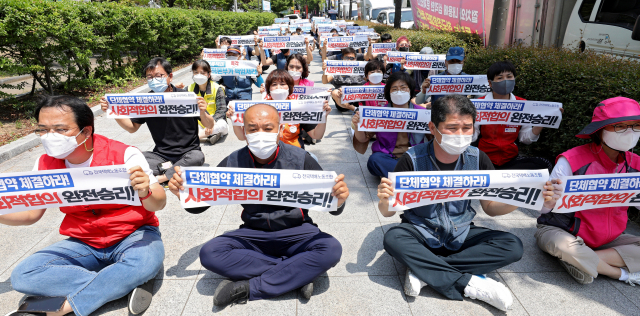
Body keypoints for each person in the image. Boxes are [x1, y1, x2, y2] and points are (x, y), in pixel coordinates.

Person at [377, 94, 550, 311]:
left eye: (467, 127)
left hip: (460, 232)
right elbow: (388, 213)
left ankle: (424, 271)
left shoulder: (478, 159)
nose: (460, 134)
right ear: (433, 128)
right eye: (452, 128)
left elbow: (491, 208)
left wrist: (522, 197)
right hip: (420, 231)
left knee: (512, 246)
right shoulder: (412, 159)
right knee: (393, 239)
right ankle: (469, 283)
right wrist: (385, 200)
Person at [167, 103, 350, 306]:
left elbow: (332, 203)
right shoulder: (233, 161)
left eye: (267, 128)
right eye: (252, 129)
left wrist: (340, 199)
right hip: (253, 234)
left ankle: (248, 288)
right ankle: (296, 274)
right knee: (210, 253)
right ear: (244, 132)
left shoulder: (301, 159)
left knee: (330, 248)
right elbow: (200, 205)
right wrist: (181, 192)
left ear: (280, 129)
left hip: (297, 231)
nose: (260, 133)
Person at [5, 96, 166, 316]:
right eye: (43, 130)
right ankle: (123, 282)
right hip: (85, 241)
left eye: (61, 129)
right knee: (23, 275)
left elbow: (159, 202)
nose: (50, 137)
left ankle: (63, 308)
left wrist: (146, 191)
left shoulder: (124, 154)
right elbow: (32, 213)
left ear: (87, 131)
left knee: (145, 259)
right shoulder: (44, 164)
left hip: (134, 235)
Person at [536, 96, 640, 286]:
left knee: (575, 254)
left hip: (610, 240)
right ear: (600, 131)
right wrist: (549, 200)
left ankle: (585, 261)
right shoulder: (571, 160)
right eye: (620, 126)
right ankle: (619, 273)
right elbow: (542, 209)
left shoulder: (636, 164)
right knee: (566, 248)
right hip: (561, 232)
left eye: (636, 126)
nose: (630, 132)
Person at [100, 57, 212, 186]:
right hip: (161, 156)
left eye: (159, 76)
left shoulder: (186, 97)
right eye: (150, 77)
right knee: (135, 159)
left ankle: (160, 178)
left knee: (197, 157)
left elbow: (209, 125)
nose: (154, 80)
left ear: (170, 76)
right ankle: (176, 172)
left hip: (188, 153)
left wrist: (203, 112)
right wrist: (113, 111)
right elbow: (132, 128)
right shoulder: (146, 101)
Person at [472, 61, 553, 171]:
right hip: (483, 160)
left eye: (509, 77)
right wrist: (466, 123)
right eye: (500, 78)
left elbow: (525, 139)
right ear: (490, 83)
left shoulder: (523, 104)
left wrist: (542, 121)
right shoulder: (480, 104)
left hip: (510, 160)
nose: (505, 81)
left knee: (544, 165)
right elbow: (473, 136)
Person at [229, 69, 331, 150]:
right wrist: (234, 119)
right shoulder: (260, 108)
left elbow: (316, 135)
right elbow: (242, 137)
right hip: (266, 153)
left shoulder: (299, 106)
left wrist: (323, 117)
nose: (279, 87)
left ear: (289, 88)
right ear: (268, 89)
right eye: (274, 84)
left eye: (282, 84)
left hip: (294, 153)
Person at [351, 72, 426, 177]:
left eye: (403, 88)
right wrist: (358, 125)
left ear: (410, 90)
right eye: (394, 89)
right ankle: (409, 177)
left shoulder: (423, 113)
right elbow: (363, 139)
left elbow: (435, 138)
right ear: (389, 93)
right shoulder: (379, 113)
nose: (399, 92)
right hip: (387, 157)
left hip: (414, 156)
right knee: (374, 160)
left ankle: (398, 176)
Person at [185, 59, 229, 145]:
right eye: (196, 72)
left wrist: (212, 122)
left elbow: (222, 110)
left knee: (222, 125)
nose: (199, 75)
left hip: (215, 121)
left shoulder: (217, 88)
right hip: (198, 123)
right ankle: (208, 136)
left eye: (202, 73)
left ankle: (194, 138)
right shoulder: (188, 89)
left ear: (208, 74)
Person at [322, 47, 367, 113]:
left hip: (358, 97)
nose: (349, 60)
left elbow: (369, 80)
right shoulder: (336, 69)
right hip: (342, 100)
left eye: (351, 58)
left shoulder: (360, 68)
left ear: (355, 59)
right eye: (346, 58)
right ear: (342, 58)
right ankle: (354, 109)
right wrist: (324, 71)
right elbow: (325, 81)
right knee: (334, 92)